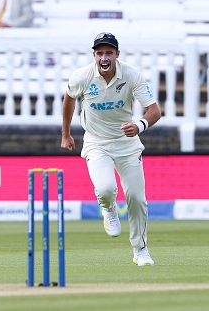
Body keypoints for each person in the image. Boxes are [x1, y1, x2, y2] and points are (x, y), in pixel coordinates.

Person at [61, 32, 161, 266]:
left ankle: (141, 250)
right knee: (106, 189)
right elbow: (69, 99)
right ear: (94, 55)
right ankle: (109, 211)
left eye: (109, 53)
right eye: (99, 53)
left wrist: (139, 125)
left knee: (137, 198)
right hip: (96, 141)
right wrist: (66, 134)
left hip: (127, 143)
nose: (104, 58)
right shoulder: (82, 76)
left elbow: (154, 110)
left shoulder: (132, 75)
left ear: (117, 54)